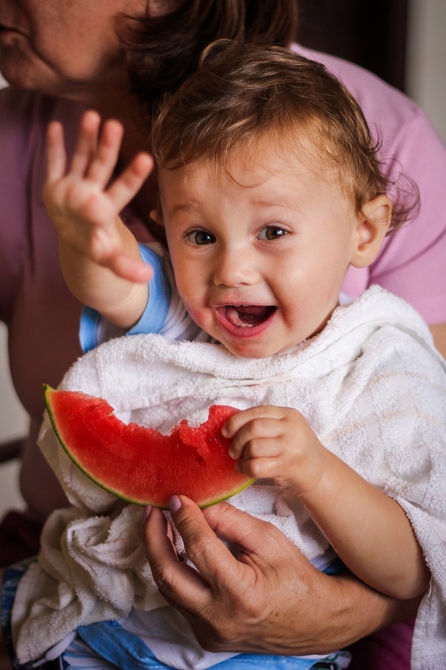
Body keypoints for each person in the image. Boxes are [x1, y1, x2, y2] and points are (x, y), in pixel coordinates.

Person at [0, 0, 445, 666]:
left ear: (367, 231)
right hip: (101, 613)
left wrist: (316, 474)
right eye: (200, 236)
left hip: (263, 655)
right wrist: (84, 243)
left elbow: (415, 561)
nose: (231, 269)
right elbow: (121, 287)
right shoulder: (185, 308)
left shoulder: (378, 361)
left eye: (273, 233)